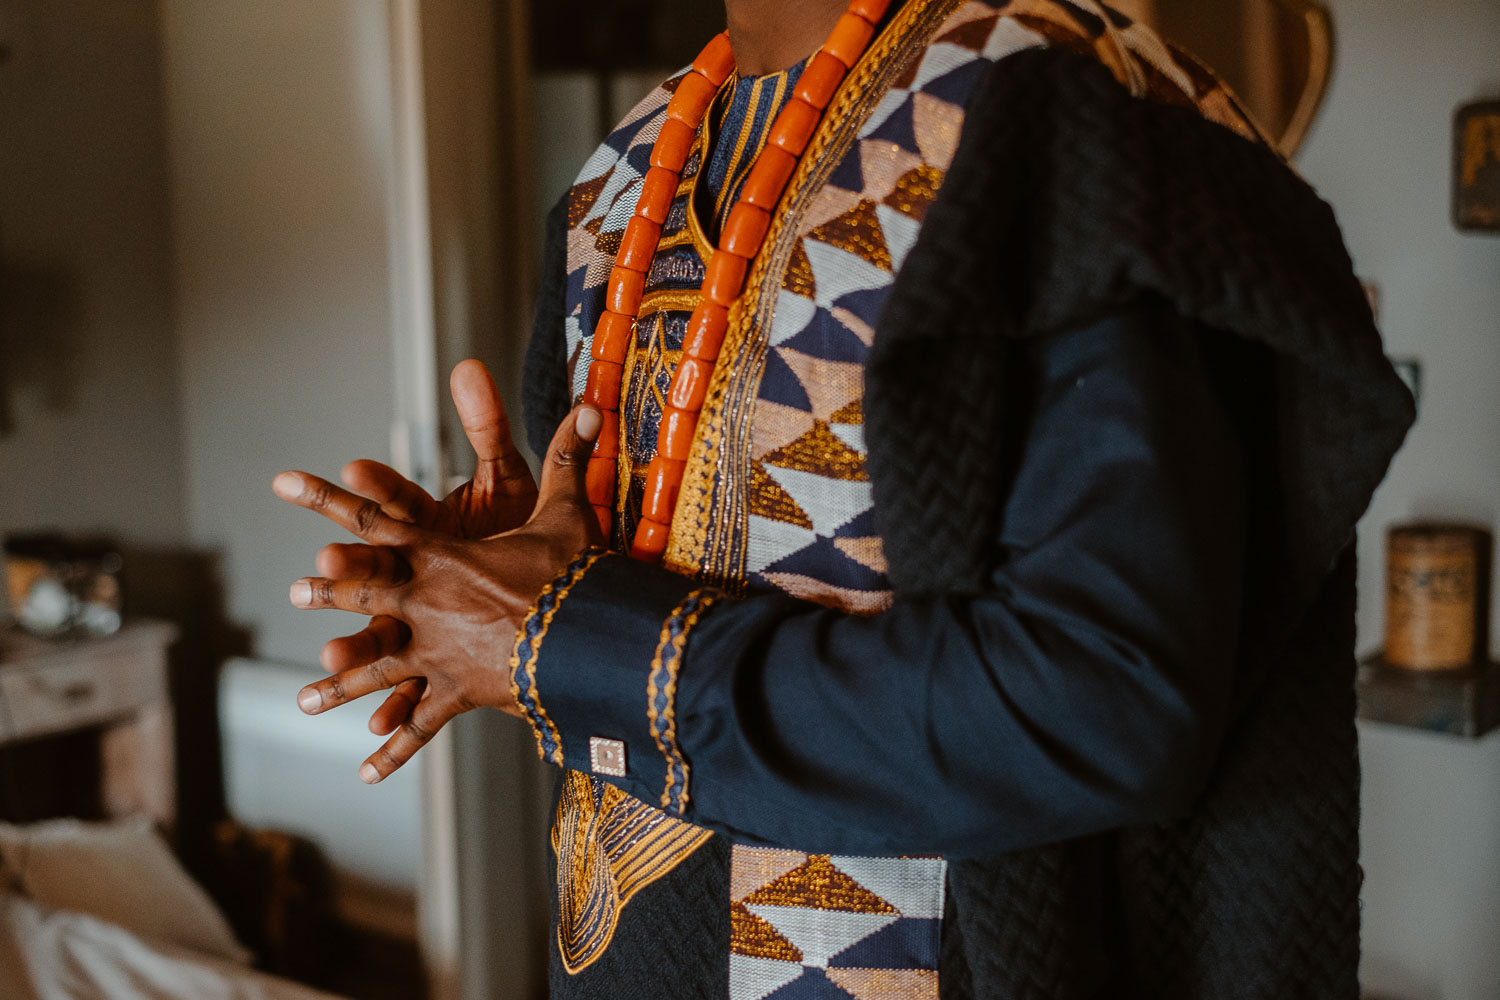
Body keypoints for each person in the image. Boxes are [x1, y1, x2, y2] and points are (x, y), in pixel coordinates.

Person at [274, 0, 1415, 995]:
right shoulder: (613, 185)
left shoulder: (1032, 110)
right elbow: (598, 631)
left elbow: (1104, 702)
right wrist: (510, 588)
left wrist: (570, 636)